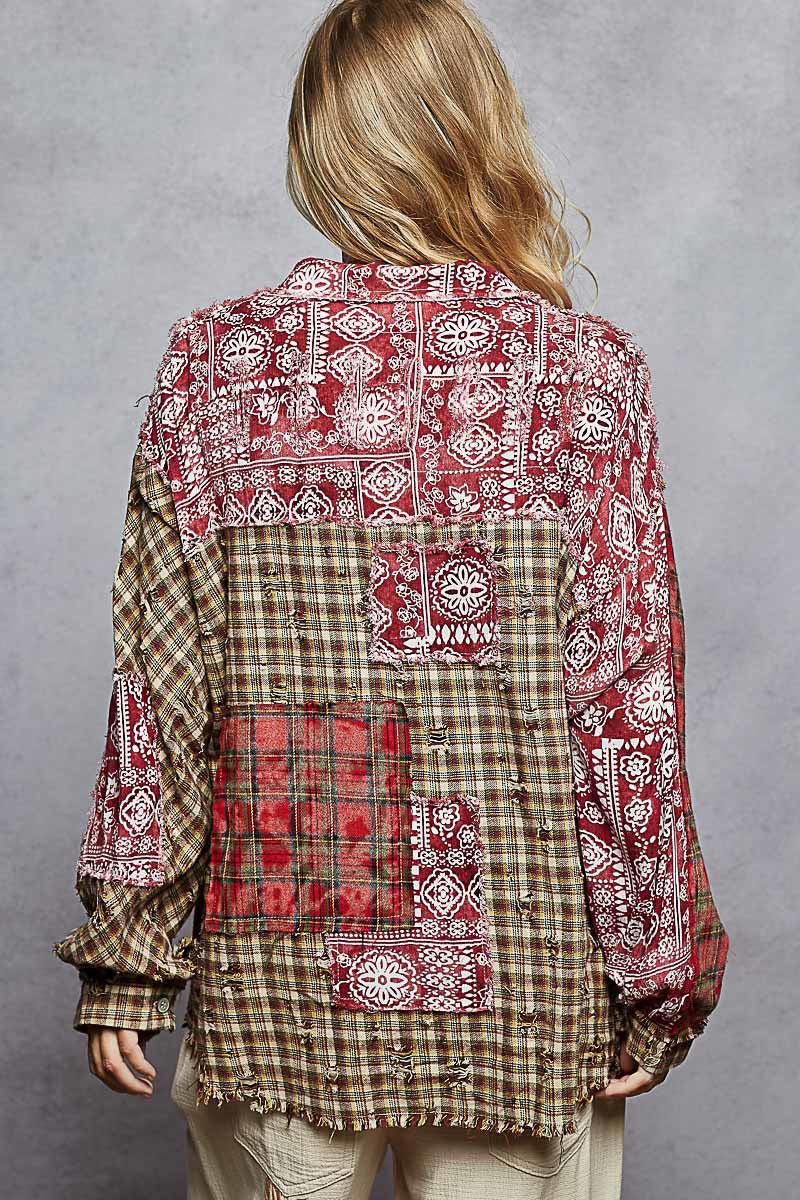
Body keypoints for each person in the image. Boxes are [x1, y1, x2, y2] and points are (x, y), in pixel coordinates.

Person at [54, 2, 730, 1197]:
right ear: (481, 130)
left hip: (284, 962)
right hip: (524, 979)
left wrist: (130, 950)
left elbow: (159, 685)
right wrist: (656, 969)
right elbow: (623, 706)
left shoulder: (213, 367)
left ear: (318, 146)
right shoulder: (580, 374)